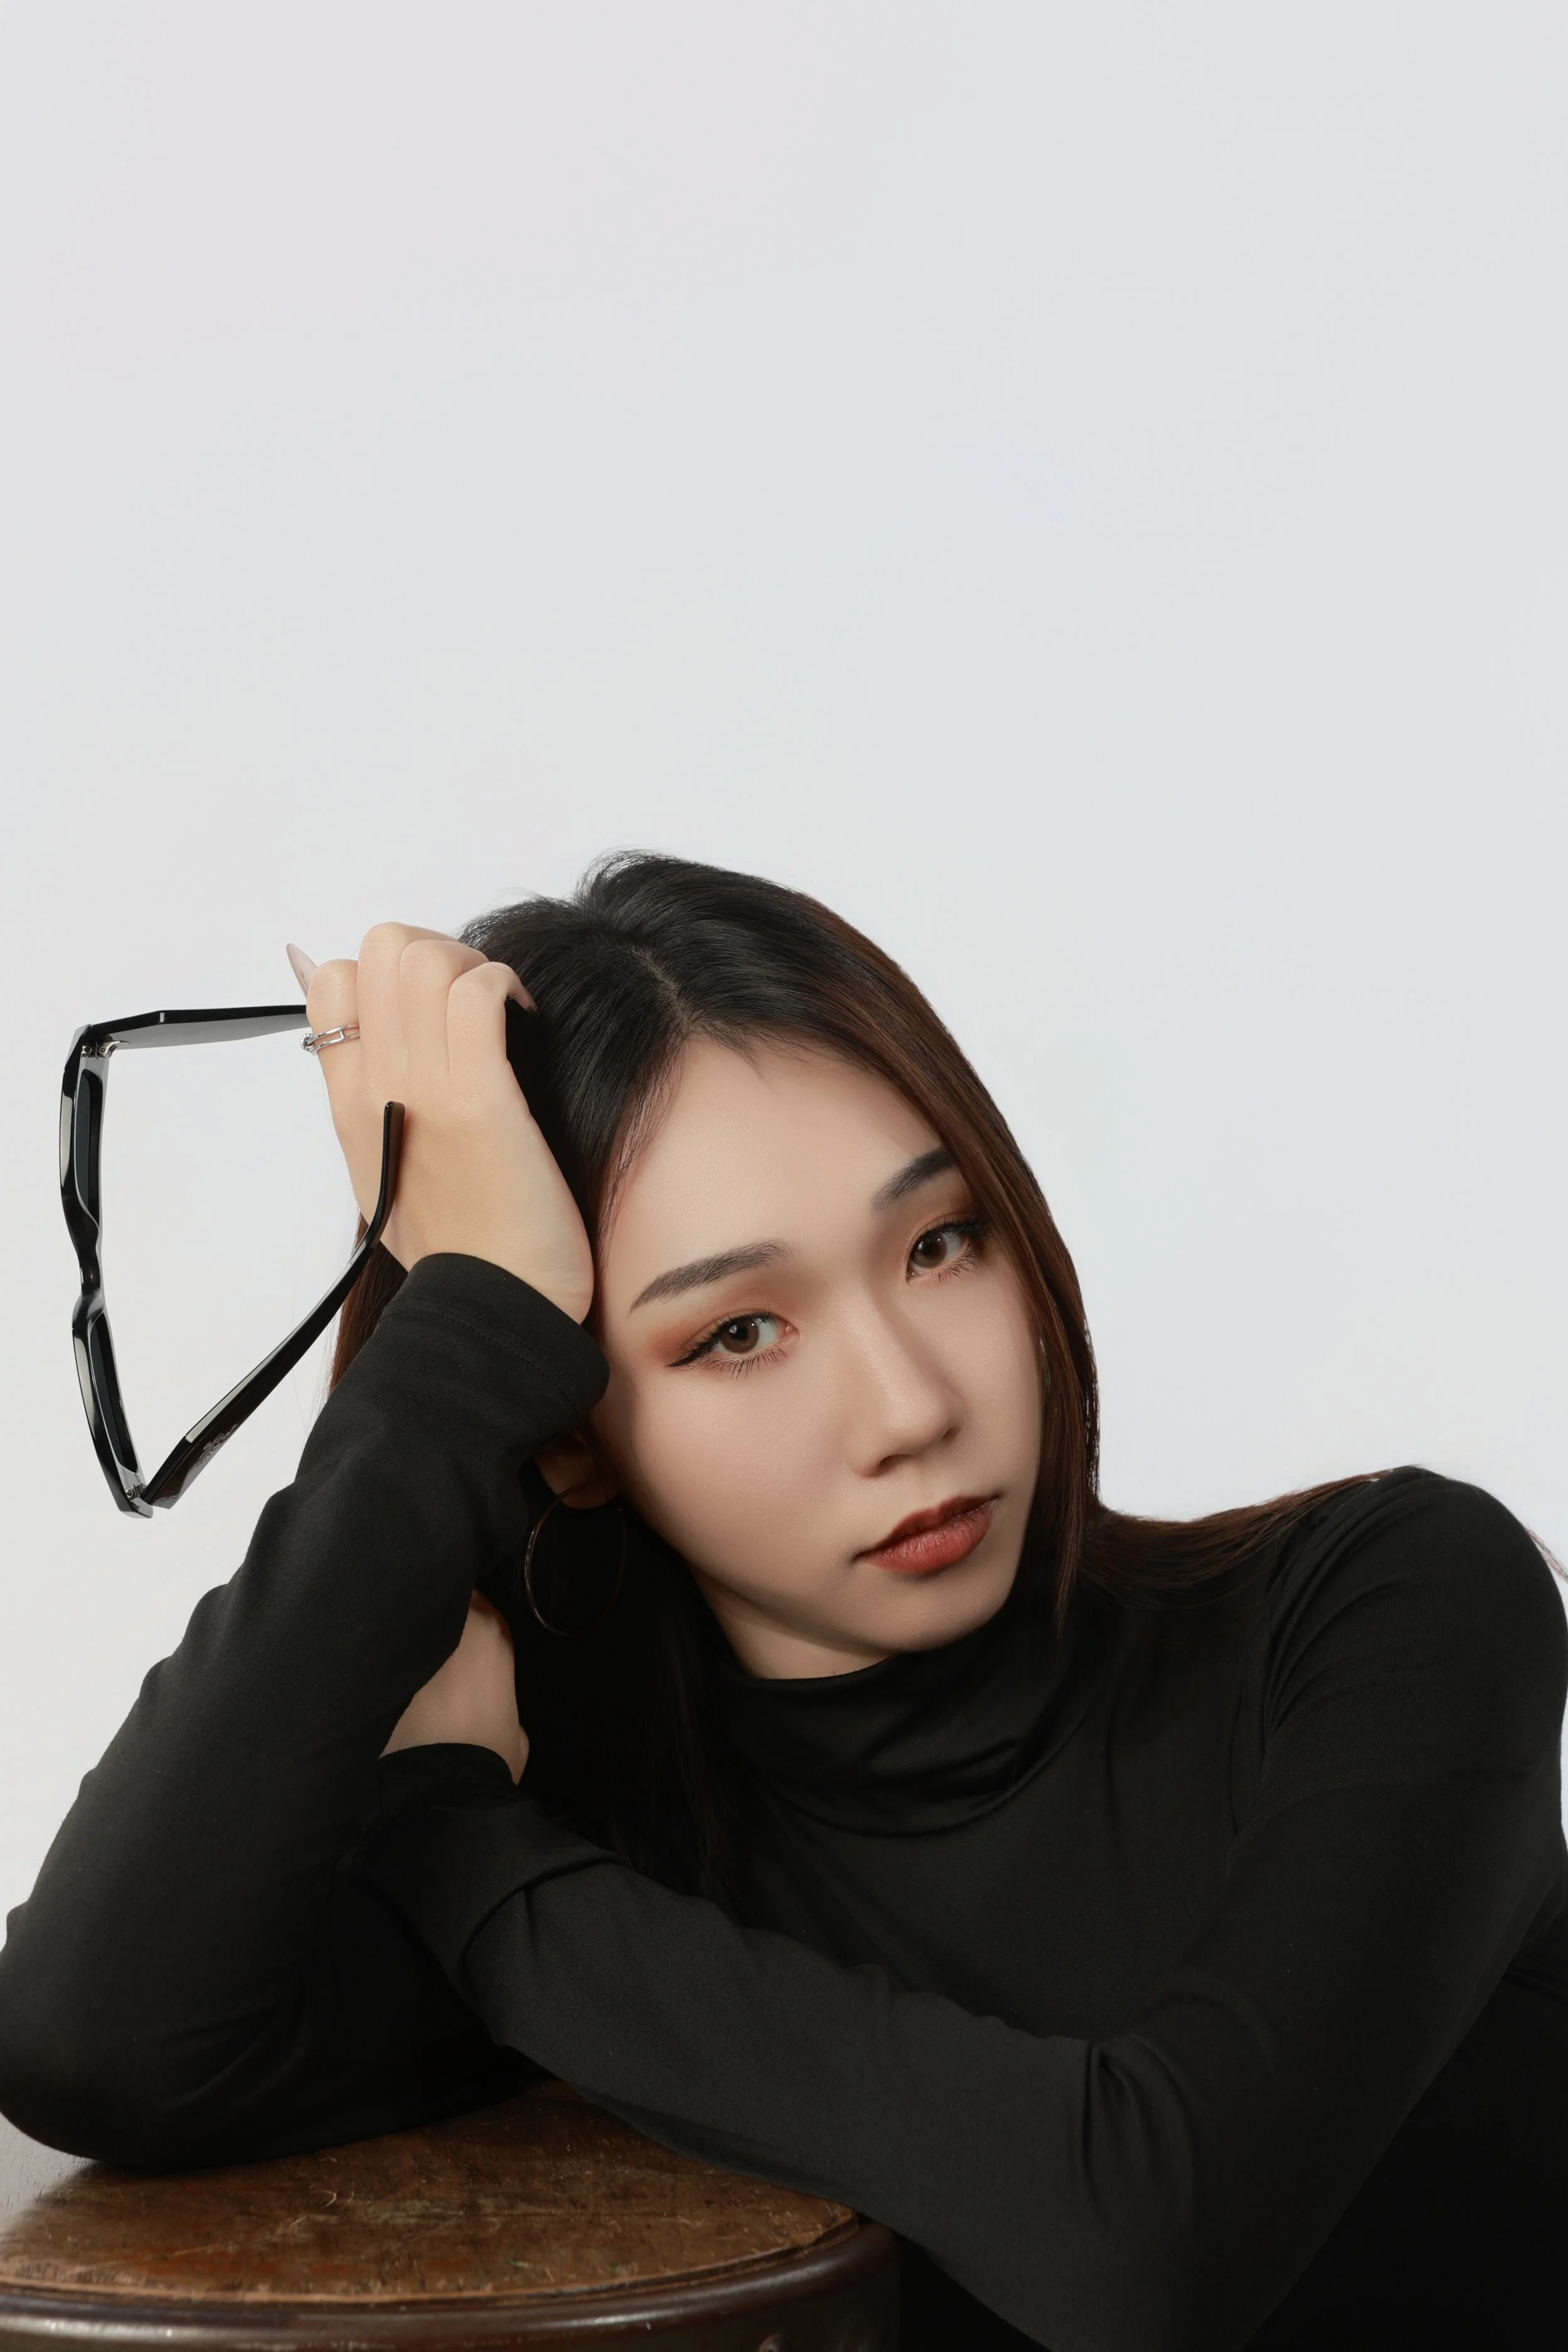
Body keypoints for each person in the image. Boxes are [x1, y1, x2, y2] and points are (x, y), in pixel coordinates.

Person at [0, 854, 1563, 2352]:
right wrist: (458, 1343)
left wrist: (450, 1839)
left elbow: (1150, 2247)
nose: (905, 1406)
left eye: (937, 1243)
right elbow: (90, 2041)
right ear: (569, 1434)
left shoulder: (1389, 1611)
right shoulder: (607, 1851)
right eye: (737, 1332)